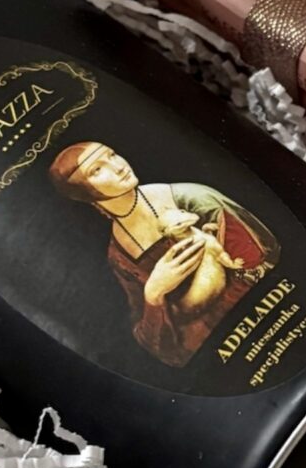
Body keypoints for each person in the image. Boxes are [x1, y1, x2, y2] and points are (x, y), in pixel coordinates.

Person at [48, 140, 273, 366]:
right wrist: (154, 293)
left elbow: (260, 262)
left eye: (112, 155)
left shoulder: (192, 199)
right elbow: (155, 344)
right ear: (84, 192)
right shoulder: (118, 255)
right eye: (97, 169)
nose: (118, 166)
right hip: (216, 355)